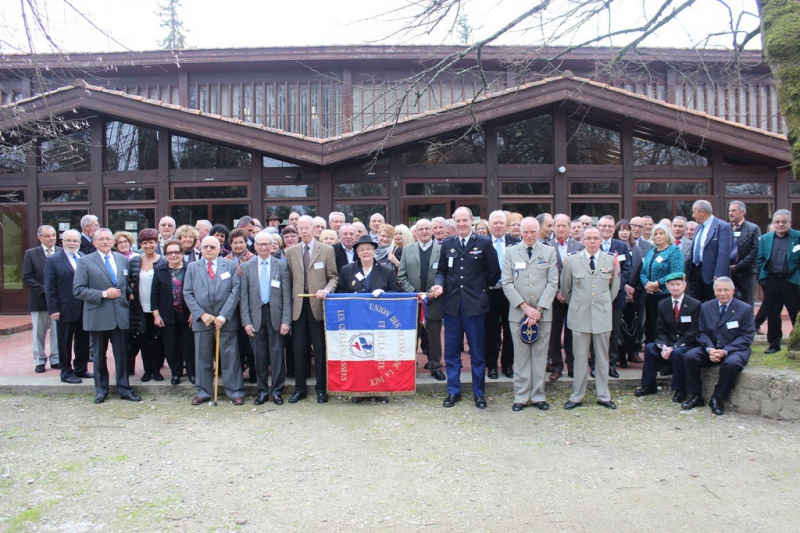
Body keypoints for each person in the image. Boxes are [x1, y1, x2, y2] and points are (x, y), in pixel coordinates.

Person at [431, 206, 501, 409]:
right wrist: (439, 283)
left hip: (475, 305)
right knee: (452, 351)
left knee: (477, 351)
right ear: (453, 222)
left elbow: (493, 273)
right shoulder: (447, 243)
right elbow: (442, 271)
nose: (461, 224)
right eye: (457, 220)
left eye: (465, 220)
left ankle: (479, 393)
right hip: (452, 304)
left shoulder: (484, 243)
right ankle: (454, 391)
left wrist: (479, 290)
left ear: (472, 220)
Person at [73, 228, 142, 404]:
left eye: (108, 239)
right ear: (94, 242)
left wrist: (130, 295)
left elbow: (124, 285)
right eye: (101, 239)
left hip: (120, 315)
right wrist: (103, 294)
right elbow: (78, 290)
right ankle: (101, 389)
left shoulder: (121, 260)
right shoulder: (85, 262)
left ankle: (124, 389)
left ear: (113, 242)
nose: (105, 242)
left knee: (122, 355)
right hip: (98, 315)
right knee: (99, 356)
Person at [561, 226, 620, 410]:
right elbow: (566, 288)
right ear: (583, 241)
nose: (592, 241)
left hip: (602, 315)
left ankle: (603, 395)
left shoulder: (610, 260)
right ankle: (577, 395)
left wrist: (601, 304)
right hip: (580, 315)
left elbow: (614, 289)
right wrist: (579, 303)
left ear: (601, 240)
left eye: (596, 238)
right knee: (579, 358)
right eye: (589, 238)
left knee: (602, 358)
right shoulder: (571, 261)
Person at [502, 217, 558, 411]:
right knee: (522, 356)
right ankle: (521, 396)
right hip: (518, 313)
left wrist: (538, 310)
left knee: (540, 356)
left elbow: (552, 283)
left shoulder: (549, 251)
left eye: (532, 231)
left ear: (538, 231)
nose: (529, 235)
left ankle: (538, 395)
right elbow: (507, 283)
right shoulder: (510, 252)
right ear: (520, 232)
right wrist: (525, 308)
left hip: (543, 314)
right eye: (525, 231)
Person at [336, 235, 398, 403]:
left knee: (379, 356)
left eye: (369, 249)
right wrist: (351, 296)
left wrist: (384, 295)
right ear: (357, 252)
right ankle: (359, 390)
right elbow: (339, 292)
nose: (365, 252)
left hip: (379, 321)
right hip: (355, 322)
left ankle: (380, 391)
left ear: (374, 250)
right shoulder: (347, 270)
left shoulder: (386, 270)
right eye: (362, 249)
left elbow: (396, 292)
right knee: (358, 356)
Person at [183, 236, 245, 405]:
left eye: (212, 247)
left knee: (230, 357)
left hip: (225, 320)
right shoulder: (192, 268)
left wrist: (223, 315)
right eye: (205, 247)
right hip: (203, 320)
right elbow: (187, 293)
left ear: (219, 249)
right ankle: (203, 392)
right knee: (202, 358)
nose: (209, 249)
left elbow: (235, 291)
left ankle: (235, 392)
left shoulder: (230, 266)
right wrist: (201, 314)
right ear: (200, 249)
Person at [681, 277, 755, 415]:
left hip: (734, 349)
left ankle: (718, 398)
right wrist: (710, 349)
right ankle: (696, 396)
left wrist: (725, 351)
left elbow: (747, 336)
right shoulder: (705, 307)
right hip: (712, 347)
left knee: (732, 364)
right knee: (690, 357)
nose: (723, 293)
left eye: (726, 290)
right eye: (719, 290)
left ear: (733, 291)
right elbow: (701, 332)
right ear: (714, 292)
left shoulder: (744, 309)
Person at [285, 215, 339, 404]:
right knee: (298, 348)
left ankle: (321, 389)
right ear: (297, 230)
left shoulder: (326, 250)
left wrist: (327, 290)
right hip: (298, 305)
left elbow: (333, 277)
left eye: (307, 228)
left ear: (314, 230)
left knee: (320, 348)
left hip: (318, 305)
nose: (304, 231)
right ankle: (300, 389)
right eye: (301, 228)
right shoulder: (290, 252)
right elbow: (288, 281)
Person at [240, 230, 292, 405]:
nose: (263, 247)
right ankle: (262, 391)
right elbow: (244, 297)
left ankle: (277, 391)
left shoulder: (281, 265)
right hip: (255, 316)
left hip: (276, 315)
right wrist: (246, 321)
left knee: (277, 355)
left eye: (267, 244)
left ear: (272, 246)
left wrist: (286, 320)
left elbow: (286, 295)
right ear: (254, 246)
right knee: (259, 356)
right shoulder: (247, 266)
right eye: (260, 244)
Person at [634, 272, 701, 402]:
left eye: (678, 284)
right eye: (672, 285)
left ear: (684, 286)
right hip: (668, 342)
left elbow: (693, 331)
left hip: (686, 343)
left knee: (677, 352)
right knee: (650, 348)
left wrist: (674, 346)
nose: (675, 287)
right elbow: (660, 329)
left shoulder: (695, 304)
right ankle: (648, 385)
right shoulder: (663, 304)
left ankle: (679, 389)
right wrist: (663, 345)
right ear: (667, 286)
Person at [397, 218, 446, 381]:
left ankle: (435, 366)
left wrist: (432, 293)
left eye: (427, 228)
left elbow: (444, 274)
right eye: (420, 229)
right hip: (412, 301)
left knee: (434, 336)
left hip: (434, 300)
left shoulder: (442, 249)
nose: (424, 232)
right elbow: (401, 275)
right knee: (411, 335)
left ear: (432, 231)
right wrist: (414, 293)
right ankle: (410, 365)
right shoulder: (407, 250)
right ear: (415, 232)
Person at [44, 229, 92, 384]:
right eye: (69, 240)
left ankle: (81, 368)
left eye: (75, 241)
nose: (72, 244)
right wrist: (54, 309)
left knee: (83, 340)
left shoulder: (84, 258)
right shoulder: (54, 260)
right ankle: (66, 372)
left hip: (84, 308)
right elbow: (50, 287)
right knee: (65, 342)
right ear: (62, 242)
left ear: (79, 242)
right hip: (64, 309)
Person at [755, 209, 800, 354]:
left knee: (796, 313)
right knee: (773, 314)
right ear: (773, 223)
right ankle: (774, 344)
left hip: (791, 281)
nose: (780, 224)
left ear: (790, 223)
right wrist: (763, 278)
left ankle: (797, 344)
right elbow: (760, 259)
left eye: (784, 222)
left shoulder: (798, 237)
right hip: (771, 281)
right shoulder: (766, 238)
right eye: (777, 222)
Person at [152, 240, 194, 385]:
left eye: (177, 252)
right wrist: (156, 314)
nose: (174, 255)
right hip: (167, 315)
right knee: (171, 345)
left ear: (182, 254)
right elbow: (154, 293)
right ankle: (175, 373)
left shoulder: (190, 268)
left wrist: (195, 312)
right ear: (166, 255)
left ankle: (191, 372)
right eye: (170, 252)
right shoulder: (160, 270)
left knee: (189, 345)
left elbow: (197, 292)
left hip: (188, 315)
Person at [595, 215, 631, 378]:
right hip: (596, 297)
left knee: (613, 331)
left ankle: (610, 364)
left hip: (616, 297)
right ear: (598, 227)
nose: (607, 229)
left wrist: (614, 288)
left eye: (610, 227)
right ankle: (596, 364)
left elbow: (626, 270)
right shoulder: (592, 243)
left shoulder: (621, 246)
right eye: (603, 226)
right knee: (596, 331)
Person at [484, 210, 520, 379]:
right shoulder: (482, 243)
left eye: (501, 223)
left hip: (511, 293)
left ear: (506, 225)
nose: (498, 226)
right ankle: (491, 365)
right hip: (490, 293)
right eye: (495, 223)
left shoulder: (516, 242)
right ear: (489, 225)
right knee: (490, 331)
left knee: (510, 329)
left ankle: (507, 365)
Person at [128, 228, 166, 382]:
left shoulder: (163, 261)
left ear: (156, 243)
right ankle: (147, 370)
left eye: (151, 242)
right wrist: (129, 291)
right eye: (145, 243)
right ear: (140, 244)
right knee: (143, 340)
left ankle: (156, 370)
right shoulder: (134, 261)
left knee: (158, 341)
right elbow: (127, 282)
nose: (148, 245)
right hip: (140, 308)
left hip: (158, 309)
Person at [549, 214, 584, 380]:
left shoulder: (579, 246)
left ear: (570, 228)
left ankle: (572, 366)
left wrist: (568, 293)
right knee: (554, 334)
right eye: (558, 226)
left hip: (573, 297)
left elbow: (582, 273)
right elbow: (545, 274)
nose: (561, 229)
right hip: (553, 298)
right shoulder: (546, 247)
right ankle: (556, 366)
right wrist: (557, 291)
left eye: (564, 226)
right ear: (553, 228)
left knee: (573, 334)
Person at [22, 224, 61, 373]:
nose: (51, 238)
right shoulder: (31, 253)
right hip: (39, 299)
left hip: (58, 300)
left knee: (57, 331)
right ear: (40, 238)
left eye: (53, 235)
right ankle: (39, 360)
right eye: (48, 236)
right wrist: (44, 290)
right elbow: (27, 277)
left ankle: (56, 359)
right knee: (39, 331)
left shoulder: (61, 252)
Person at [640, 223, 685, 346]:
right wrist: (648, 284)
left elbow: (677, 272)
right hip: (650, 295)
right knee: (651, 324)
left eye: (661, 233)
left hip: (665, 295)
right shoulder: (652, 251)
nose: (658, 236)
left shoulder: (674, 251)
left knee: (664, 325)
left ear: (667, 235)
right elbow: (643, 272)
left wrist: (657, 283)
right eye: (656, 234)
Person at [224, 228, 257, 382]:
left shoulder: (253, 259)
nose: (238, 245)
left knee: (249, 341)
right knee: (234, 341)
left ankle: (253, 372)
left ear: (246, 243)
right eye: (235, 243)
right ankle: (237, 374)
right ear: (231, 244)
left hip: (248, 305)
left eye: (241, 242)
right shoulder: (225, 260)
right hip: (231, 306)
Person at [688, 199, 732, 302]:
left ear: (702, 212)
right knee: (695, 303)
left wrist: (719, 275)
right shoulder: (698, 227)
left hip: (712, 274)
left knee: (713, 304)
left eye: (694, 212)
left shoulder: (722, 226)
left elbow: (724, 253)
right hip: (695, 272)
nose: (693, 215)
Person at [615, 219, 644, 367]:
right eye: (622, 230)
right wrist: (624, 287)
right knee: (619, 324)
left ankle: (633, 351)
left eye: (628, 230)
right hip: (619, 290)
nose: (625, 232)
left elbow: (639, 270)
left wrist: (632, 290)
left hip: (635, 292)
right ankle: (619, 354)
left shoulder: (636, 249)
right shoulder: (615, 247)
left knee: (633, 323)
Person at [728, 200, 761, 307]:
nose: (730, 213)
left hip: (747, 272)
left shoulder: (753, 228)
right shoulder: (725, 228)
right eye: (729, 210)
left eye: (734, 210)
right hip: (729, 273)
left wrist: (739, 266)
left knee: (747, 304)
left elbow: (755, 251)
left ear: (743, 212)